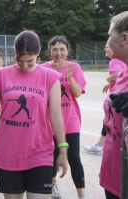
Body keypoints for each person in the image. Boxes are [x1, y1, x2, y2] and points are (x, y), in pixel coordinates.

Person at [0, 30, 68, 199]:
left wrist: (63, 149)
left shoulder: (50, 77)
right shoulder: (0, 75)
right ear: (13, 54)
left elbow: (56, 116)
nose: (24, 65)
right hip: (7, 154)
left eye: (30, 61)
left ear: (38, 55)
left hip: (40, 153)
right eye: (19, 60)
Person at [41, 36, 87, 199]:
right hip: (50, 120)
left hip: (70, 119)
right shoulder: (44, 68)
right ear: (49, 51)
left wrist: (70, 77)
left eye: (62, 49)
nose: (58, 53)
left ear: (68, 51)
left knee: (73, 156)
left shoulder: (74, 67)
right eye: (54, 49)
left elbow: (77, 93)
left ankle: (81, 194)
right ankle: (53, 185)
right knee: (52, 155)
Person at [99, 11, 128, 199]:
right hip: (113, 173)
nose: (107, 42)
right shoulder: (123, 75)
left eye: (110, 36)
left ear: (124, 38)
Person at [84, 44, 126, 155]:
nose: (105, 49)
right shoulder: (123, 59)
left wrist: (109, 78)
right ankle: (100, 145)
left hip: (117, 97)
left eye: (107, 47)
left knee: (109, 122)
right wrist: (110, 83)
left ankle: (100, 146)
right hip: (123, 95)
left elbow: (118, 74)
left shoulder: (114, 61)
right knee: (109, 122)